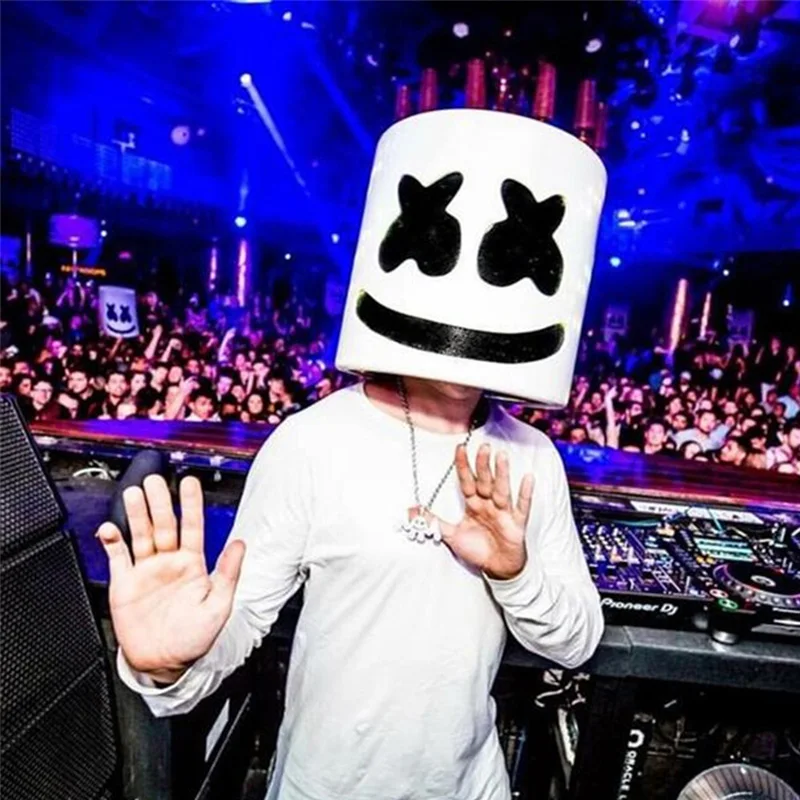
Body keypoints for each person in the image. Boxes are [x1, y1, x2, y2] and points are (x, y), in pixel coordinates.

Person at [98, 106, 606, 800]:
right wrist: (165, 666)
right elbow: (239, 619)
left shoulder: (532, 457)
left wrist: (515, 575)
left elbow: (576, 643)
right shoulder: (311, 442)